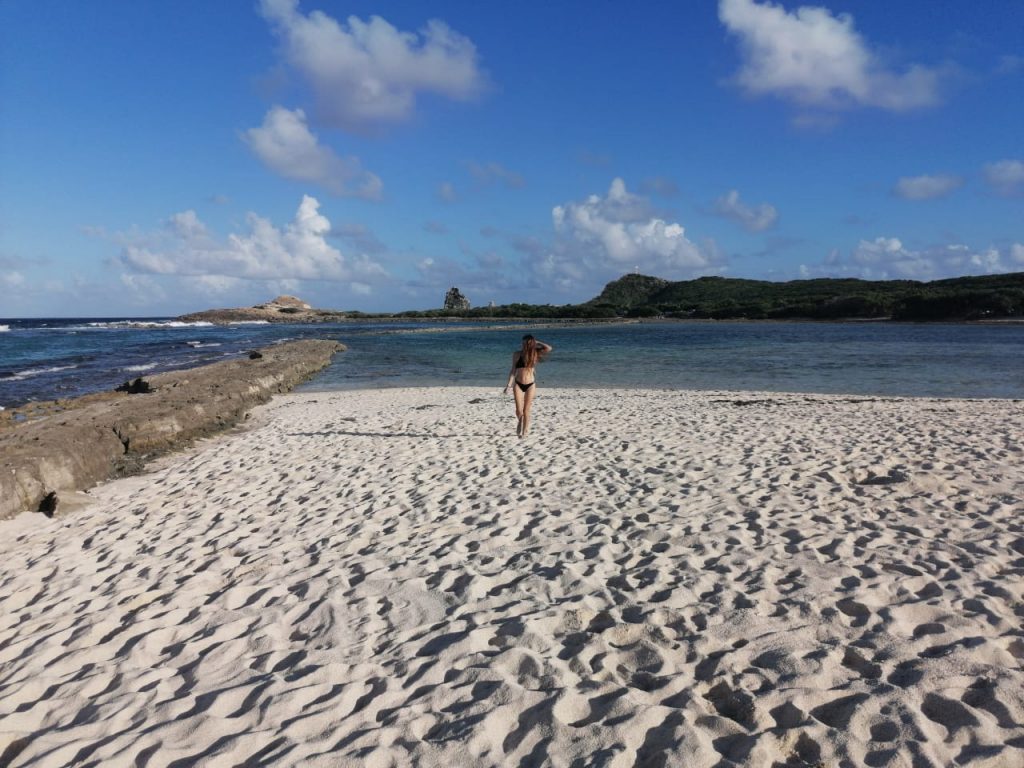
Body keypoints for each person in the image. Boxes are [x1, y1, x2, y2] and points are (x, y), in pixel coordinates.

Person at [503, 334, 553, 438]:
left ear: (531, 344)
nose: (525, 345)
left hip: (530, 385)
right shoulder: (517, 354)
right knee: (518, 411)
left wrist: (537, 342)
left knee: (526, 410)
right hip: (518, 383)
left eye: (527, 343)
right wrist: (508, 385)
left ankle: (525, 432)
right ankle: (520, 420)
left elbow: (549, 348)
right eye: (524, 342)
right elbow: (513, 370)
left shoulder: (535, 354)